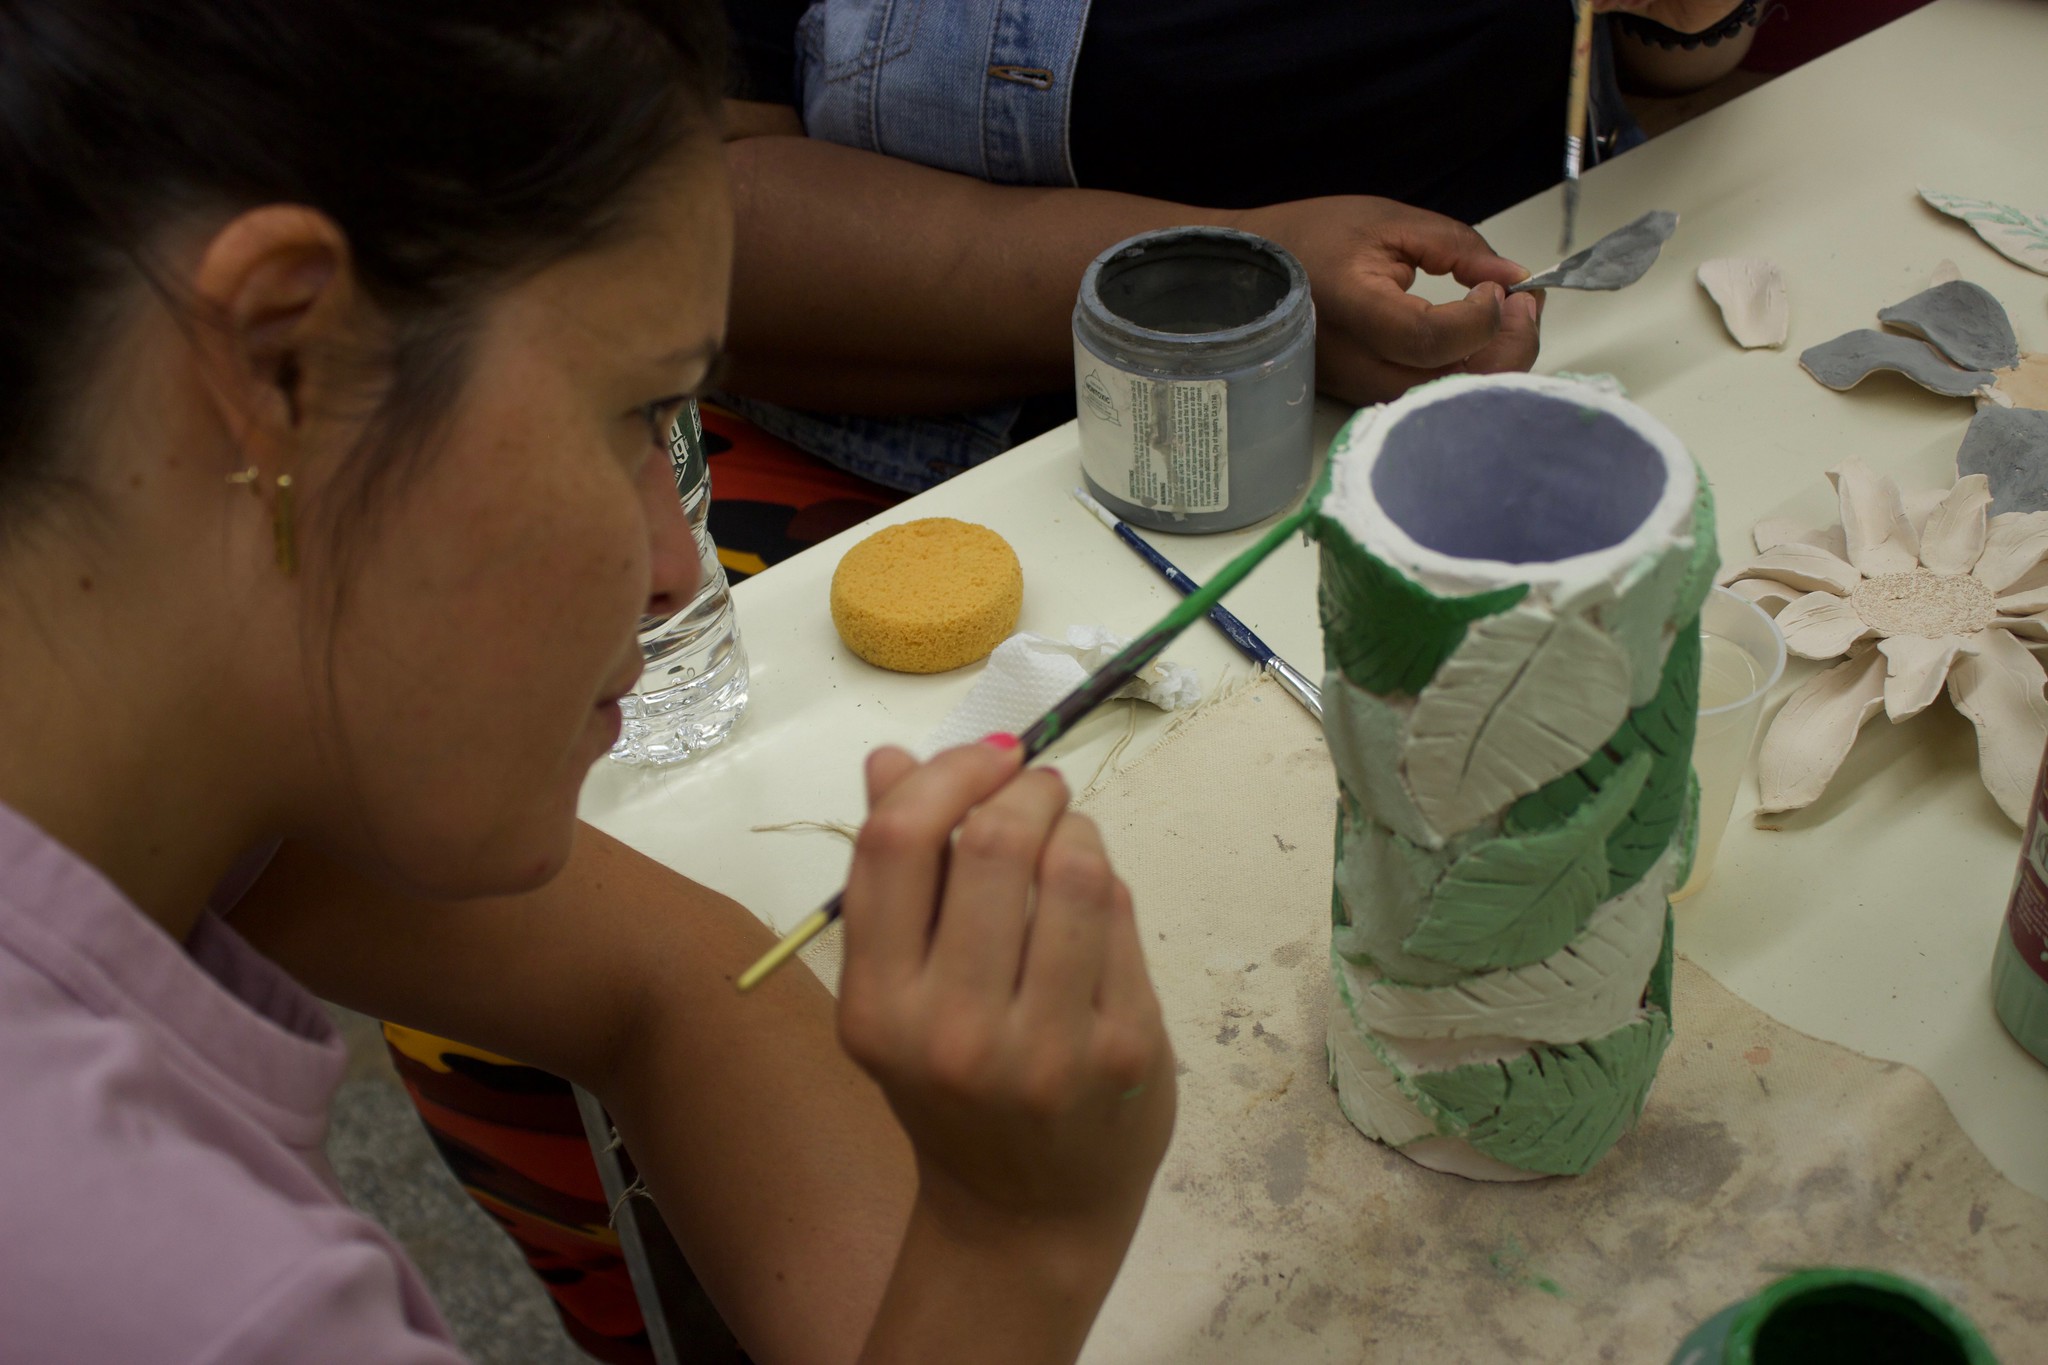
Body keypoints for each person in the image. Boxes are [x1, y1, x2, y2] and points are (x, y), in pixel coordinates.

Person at [0, 2, 1175, 1362]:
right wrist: (1016, 1245)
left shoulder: (131, 722)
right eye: (636, 417)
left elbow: (677, 980)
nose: (677, 570)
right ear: (282, 361)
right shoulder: (184, 1297)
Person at [713, 0, 1763, 492]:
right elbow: (699, 236)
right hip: (1083, 479)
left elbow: (1673, 60)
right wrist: (1235, 286)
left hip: (1573, 364)